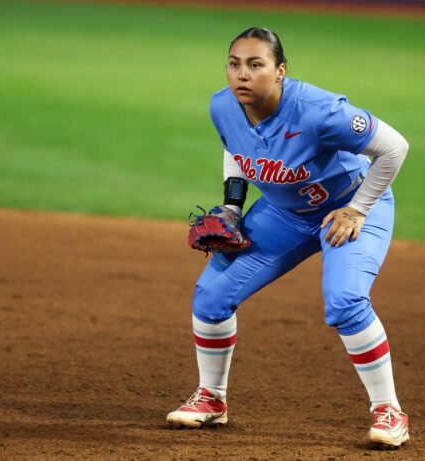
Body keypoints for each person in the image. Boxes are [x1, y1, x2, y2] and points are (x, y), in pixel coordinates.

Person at [167, 27, 410, 449]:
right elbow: (236, 150)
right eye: (234, 64)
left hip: (348, 208)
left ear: (280, 71)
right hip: (284, 213)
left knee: (345, 302)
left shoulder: (319, 111)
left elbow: (394, 147)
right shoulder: (224, 107)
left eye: (255, 64)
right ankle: (212, 399)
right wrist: (232, 209)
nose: (242, 74)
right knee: (211, 296)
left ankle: (389, 411)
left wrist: (358, 209)